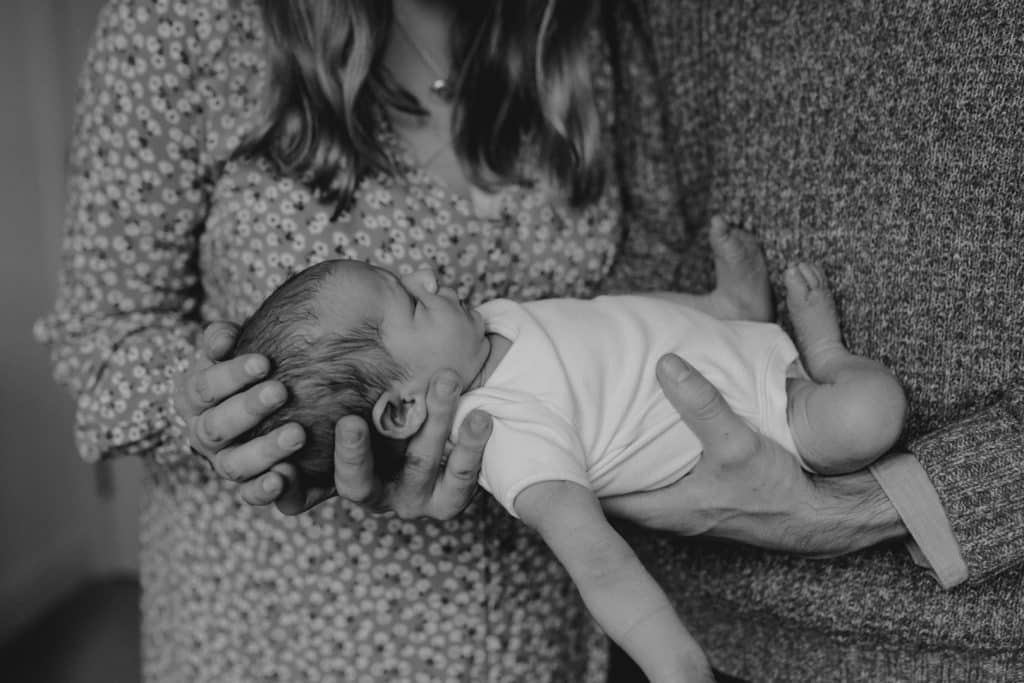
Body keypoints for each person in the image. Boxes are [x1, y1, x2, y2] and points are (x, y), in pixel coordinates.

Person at [181, 2, 1024, 682]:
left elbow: (616, 316)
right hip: (765, 428)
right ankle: (828, 361)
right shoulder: (508, 436)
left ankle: (747, 315)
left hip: (736, 358)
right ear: (402, 409)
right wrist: (672, 660)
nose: (431, 281)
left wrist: (716, 305)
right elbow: (598, 561)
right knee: (873, 413)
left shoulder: (490, 323)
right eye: (409, 300)